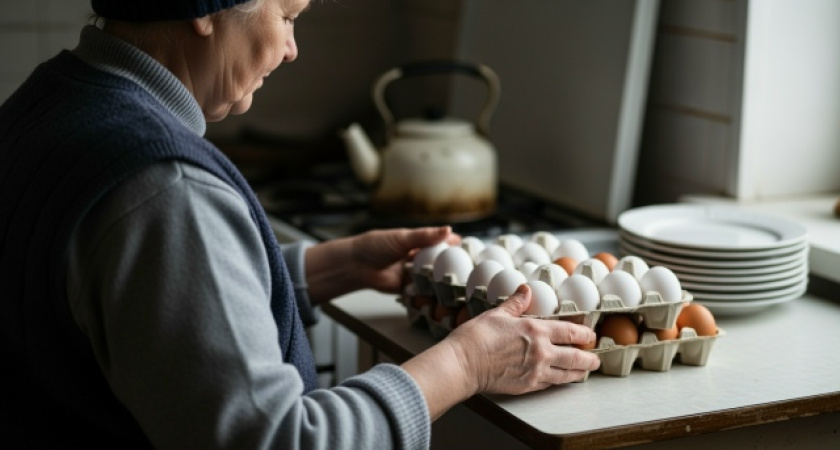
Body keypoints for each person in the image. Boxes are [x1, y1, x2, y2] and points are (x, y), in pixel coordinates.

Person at [0, 0, 601, 448]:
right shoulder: (163, 188)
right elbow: (281, 440)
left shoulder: (51, 101)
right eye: (287, 15)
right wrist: (466, 364)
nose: (292, 48)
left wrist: (329, 266)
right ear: (205, 10)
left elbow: (127, 308)